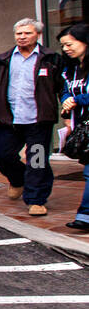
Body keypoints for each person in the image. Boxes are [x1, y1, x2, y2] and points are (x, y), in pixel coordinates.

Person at [0, 18, 64, 216]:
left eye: (27, 33)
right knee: (2, 155)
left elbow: (62, 86)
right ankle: (18, 180)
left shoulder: (51, 58)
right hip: (9, 120)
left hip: (38, 120)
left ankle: (36, 200)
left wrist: (66, 112)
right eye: (19, 33)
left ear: (38, 35)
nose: (22, 37)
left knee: (36, 160)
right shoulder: (2, 60)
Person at [58, 22, 89, 231]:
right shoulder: (71, 69)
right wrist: (68, 99)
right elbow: (65, 90)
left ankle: (85, 215)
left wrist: (78, 99)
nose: (65, 49)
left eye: (69, 44)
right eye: (63, 46)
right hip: (83, 129)